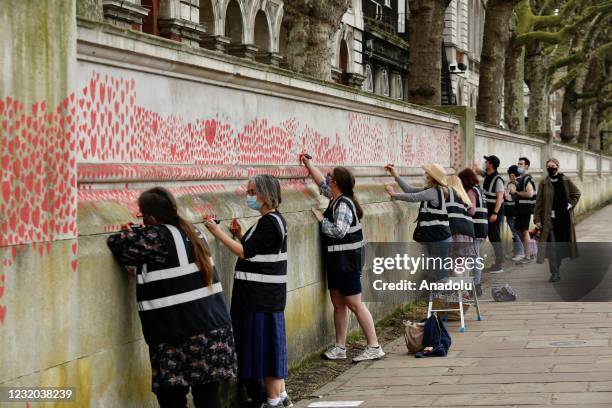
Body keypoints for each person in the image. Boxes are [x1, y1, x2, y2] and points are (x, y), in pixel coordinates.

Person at [106, 187, 237, 408]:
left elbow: (116, 243)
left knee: (171, 398)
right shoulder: (194, 232)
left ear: (151, 218)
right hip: (214, 330)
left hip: (178, 336)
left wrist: (129, 232)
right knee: (207, 397)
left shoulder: (157, 237)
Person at [204, 175, 293, 408]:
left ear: (265, 194)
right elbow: (256, 251)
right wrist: (239, 235)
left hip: (259, 298)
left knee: (265, 351)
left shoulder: (269, 222)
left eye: (252, 191)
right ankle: (280, 396)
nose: (249, 196)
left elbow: (244, 252)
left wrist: (216, 231)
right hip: (264, 297)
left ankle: (272, 400)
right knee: (270, 346)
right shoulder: (274, 221)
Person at [301, 156, 384, 363]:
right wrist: (308, 165)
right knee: (338, 303)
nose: (327, 178)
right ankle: (340, 347)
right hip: (338, 262)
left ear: (336, 182)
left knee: (355, 304)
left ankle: (374, 346)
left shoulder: (344, 204)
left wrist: (322, 220)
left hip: (347, 262)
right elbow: (321, 183)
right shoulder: (336, 197)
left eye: (330, 176)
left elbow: (339, 231)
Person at [384, 163, 453, 281]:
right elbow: (409, 190)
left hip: (439, 238)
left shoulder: (433, 192)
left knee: (440, 270)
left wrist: (394, 194)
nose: (425, 175)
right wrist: (395, 175)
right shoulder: (434, 191)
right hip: (441, 237)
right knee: (439, 269)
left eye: (428, 173)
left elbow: (413, 197)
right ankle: (450, 294)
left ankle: (452, 294)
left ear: (432, 177)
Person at [534, 159, 581, 282]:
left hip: (564, 220)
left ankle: (557, 269)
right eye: (548, 166)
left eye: (553, 166)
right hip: (549, 220)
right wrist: (537, 219)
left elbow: (576, 193)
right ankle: (554, 273)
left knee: (560, 247)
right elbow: (538, 202)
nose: (550, 168)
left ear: (558, 167)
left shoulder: (565, 180)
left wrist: (570, 204)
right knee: (552, 247)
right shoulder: (544, 183)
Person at [458, 168, 488, 296]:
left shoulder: (471, 191)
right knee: (476, 257)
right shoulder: (479, 190)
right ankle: (476, 284)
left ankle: (476, 285)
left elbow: (472, 211)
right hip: (482, 226)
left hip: (475, 227)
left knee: (474, 258)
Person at [480, 155, 505, 273]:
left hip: (495, 212)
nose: (484, 163)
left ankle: (499, 264)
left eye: (486, 161)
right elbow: (481, 172)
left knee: (495, 237)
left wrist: (495, 213)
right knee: (491, 235)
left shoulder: (498, 179)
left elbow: (500, 198)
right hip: (488, 211)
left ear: (490, 164)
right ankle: (498, 262)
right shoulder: (488, 176)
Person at [514, 157, 536, 262]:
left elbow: (530, 193)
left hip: (525, 209)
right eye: (518, 164)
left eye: (521, 164)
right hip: (520, 209)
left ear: (526, 166)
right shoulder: (522, 178)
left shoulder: (527, 178)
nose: (519, 166)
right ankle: (529, 252)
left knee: (524, 231)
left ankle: (528, 255)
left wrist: (516, 193)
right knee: (519, 230)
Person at [504, 165, 524, 262]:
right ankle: (517, 252)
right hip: (519, 211)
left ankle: (520, 253)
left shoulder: (512, 184)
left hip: (511, 212)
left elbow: (508, 198)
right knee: (518, 233)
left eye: (510, 174)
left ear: (512, 175)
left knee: (515, 233)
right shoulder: (522, 182)